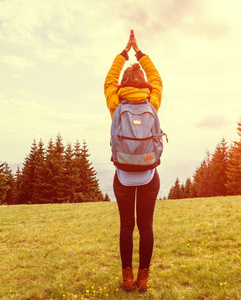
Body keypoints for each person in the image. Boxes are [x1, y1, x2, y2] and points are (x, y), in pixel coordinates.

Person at [104, 30, 163, 293]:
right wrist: (140, 53)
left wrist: (123, 53)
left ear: (123, 83)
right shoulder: (153, 100)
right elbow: (157, 79)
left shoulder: (116, 103)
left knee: (126, 226)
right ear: (143, 82)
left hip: (123, 174)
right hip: (149, 173)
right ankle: (144, 281)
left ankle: (127, 280)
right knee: (146, 226)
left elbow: (108, 81)